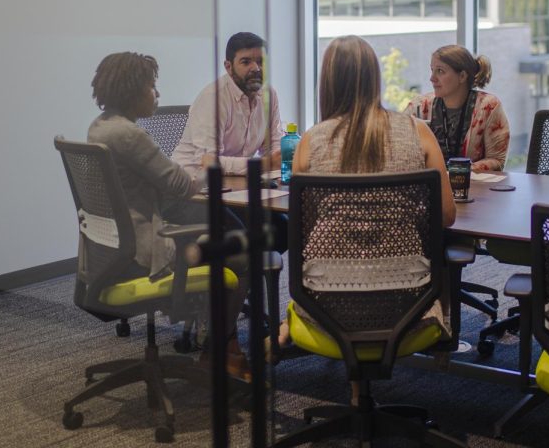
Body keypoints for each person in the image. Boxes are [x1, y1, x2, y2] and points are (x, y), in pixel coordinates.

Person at [277, 36, 455, 396]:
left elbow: (304, 230)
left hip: (326, 302)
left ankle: (293, 336)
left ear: (326, 82)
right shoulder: (417, 131)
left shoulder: (310, 142)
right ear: (375, 79)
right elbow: (446, 216)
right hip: (408, 300)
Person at [87, 51, 250, 379]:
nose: (157, 93)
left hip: (114, 246)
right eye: (152, 86)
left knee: (220, 223)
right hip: (145, 248)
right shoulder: (129, 135)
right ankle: (219, 347)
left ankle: (208, 327)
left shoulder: (100, 127)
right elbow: (181, 183)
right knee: (241, 250)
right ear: (133, 91)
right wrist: (214, 168)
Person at [172, 32, 284, 176]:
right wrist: (266, 164)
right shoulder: (213, 98)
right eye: (246, 62)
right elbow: (208, 161)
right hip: (192, 184)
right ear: (228, 66)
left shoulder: (269, 95)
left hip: (236, 182)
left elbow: (273, 147)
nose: (256, 68)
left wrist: (280, 158)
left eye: (261, 61)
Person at [404, 45, 509, 172]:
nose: (432, 78)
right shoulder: (419, 106)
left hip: (474, 188)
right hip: (430, 186)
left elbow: (497, 160)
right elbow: (399, 150)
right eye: (432, 70)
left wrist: (457, 171)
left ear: (462, 76)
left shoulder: (488, 107)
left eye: (440, 71)